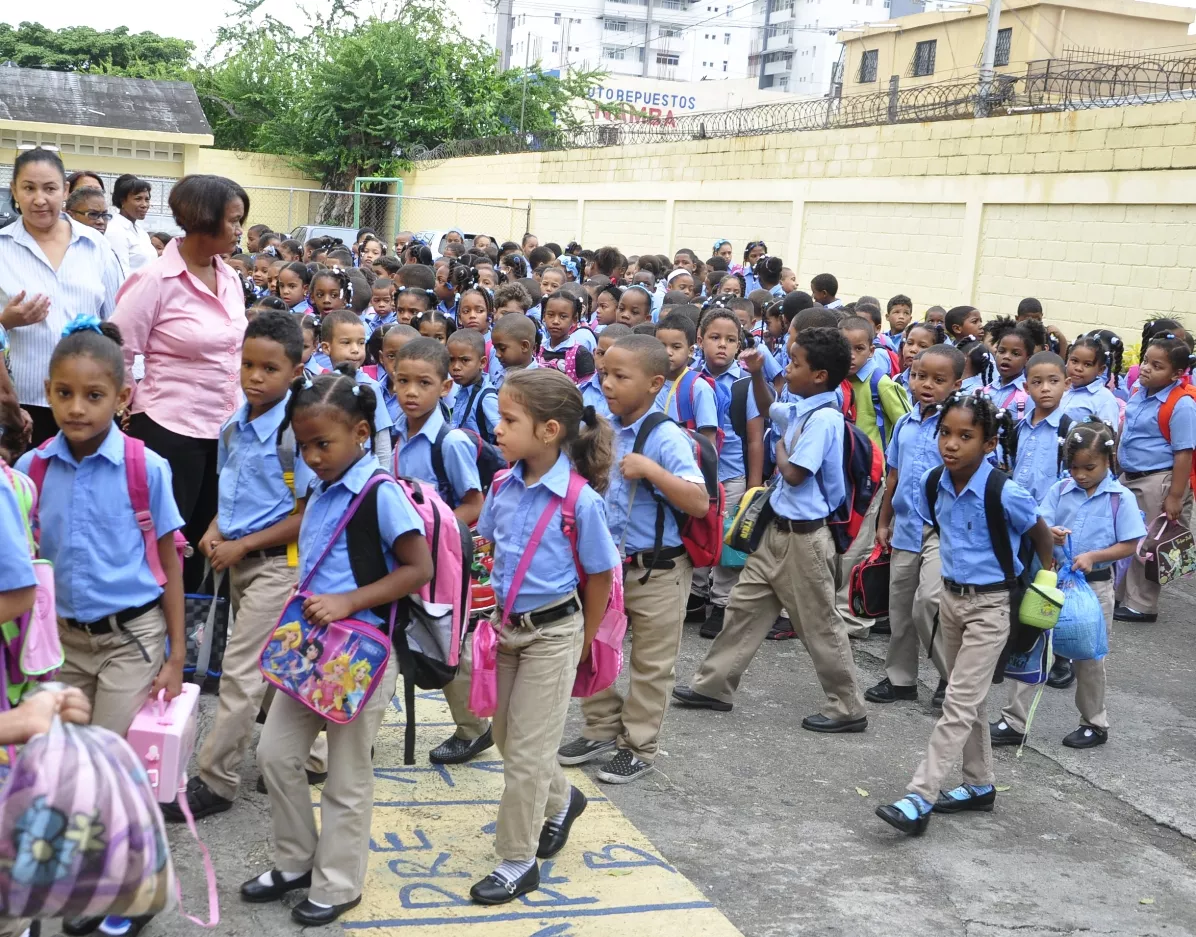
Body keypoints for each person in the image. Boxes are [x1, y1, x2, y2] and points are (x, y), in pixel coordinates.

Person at [243, 371, 433, 927]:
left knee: (348, 777)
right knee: (275, 754)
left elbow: (418, 569)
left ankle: (339, 882)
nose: (314, 456)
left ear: (360, 432)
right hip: (312, 646)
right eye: (304, 446)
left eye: (323, 444)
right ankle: (295, 861)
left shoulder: (382, 493)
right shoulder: (323, 487)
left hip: (361, 654)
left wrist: (350, 600)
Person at [16, 318, 186, 937]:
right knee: (64, 775)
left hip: (131, 641)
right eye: (63, 392)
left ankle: (131, 894)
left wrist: (175, 655)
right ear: (48, 390)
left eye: (93, 395)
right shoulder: (31, 472)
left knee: (109, 771)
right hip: (61, 646)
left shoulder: (147, 468)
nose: (76, 407)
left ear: (123, 397)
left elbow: (168, 560)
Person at [161, 312, 326, 822]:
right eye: (248, 364)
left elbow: (307, 513)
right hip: (239, 562)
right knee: (276, 667)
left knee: (240, 672)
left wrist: (243, 544)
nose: (255, 376)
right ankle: (314, 753)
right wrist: (214, 529)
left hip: (281, 566)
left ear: (295, 371)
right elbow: (233, 494)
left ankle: (217, 780)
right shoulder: (237, 421)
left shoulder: (298, 433)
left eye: (269, 368)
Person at [469, 368, 619, 904]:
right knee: (509, 740)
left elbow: (600, 576)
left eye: (510, 420)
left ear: (550, 430)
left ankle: (517, 860)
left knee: (529, 753)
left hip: (555, 635)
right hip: (505, 630)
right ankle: (563, 801)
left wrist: (584, 641)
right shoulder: (503, 484)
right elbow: (489, 546)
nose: (499, 429)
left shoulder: (581, 502)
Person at [673, 327, 869, 733]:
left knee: (819, 623)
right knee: (744, 608)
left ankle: (848, 706)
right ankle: (713, 687)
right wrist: (759, 375)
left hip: (806, 540)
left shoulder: (825, 419)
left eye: (795, 364)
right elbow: (768, 407)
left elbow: (795, 473)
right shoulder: (800, 407)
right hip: (776, 533)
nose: (789, 370)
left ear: (818, 375)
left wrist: (777, 448)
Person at [876, 392, 1052, 836]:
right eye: (946, 434)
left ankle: (920, 796)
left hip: (992, 606)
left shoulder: (1004, 491)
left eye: (966, 436)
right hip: (951, 602)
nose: (951, 444)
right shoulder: (935, 482)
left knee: (956, 703)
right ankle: (978, 785)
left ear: (989, 443)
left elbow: (1039, 532)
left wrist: (1047, 575)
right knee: (966, 697)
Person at [557, 335, 709, 784]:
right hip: (609, 570)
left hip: (658, 571)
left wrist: (652, 471)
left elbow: (699, 502)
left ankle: (638, 745)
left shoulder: (664, 436)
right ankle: (601, 728)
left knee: (651, 664)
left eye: (621, 377)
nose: (607, 384)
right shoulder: (603, 426)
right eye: (605, 373)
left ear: (654, 383)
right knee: (592, 648)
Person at [111, 174, 250, 590]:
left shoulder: (229, 278)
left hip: (224, 433)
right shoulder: (155, 281)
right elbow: (118, 349)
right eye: (233, 220)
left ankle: (196, 637)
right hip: (169, 430)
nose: (239, 229)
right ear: (202, 220)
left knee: (210, 542)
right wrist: (129, 406)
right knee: (166, 543)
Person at [999, 419, 1146, 751]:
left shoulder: (1119, 498)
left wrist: (1095, 555)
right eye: (1074, 466)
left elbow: (1131, 542)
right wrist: (1050, 533)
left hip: (1095, 589)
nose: (1080, 474)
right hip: (1054, 584)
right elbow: (1040, 522)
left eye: (1089, 467)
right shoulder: (1061, 489)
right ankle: (1013, 720)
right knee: (1033, 647)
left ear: (1108, 461)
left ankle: (1094, 722)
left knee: (1089, 657)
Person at [0, 147, 122, 446]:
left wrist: (123, 386)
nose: (39, 199)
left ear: (65, 190)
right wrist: (5, 321)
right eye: (28, 188)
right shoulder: (2, 248)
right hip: (23, 407)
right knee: (27, 490)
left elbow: (118, 322)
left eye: (50, 188)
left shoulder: (96, 246)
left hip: (89, 401)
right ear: (15, 190)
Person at [867, 345, 960, 707]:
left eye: (938, 380)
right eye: (920, 376)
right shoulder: (905, 423)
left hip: (941, 528)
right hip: (904, 526)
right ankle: (900, 679)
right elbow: (894, 476)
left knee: (929, 601)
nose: (926, 385)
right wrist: (884, 520)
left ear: (955, 384)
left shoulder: (954, 427)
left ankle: (951, 678)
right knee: (900, 607)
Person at [689, 308, 763, 639]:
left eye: (730, 340)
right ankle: (697, 594)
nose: (723, 345)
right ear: (700, 340)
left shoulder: (744, 385)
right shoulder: (690, 379)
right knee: (698, 529)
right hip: (696, 473)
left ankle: (722, 602)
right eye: (715, 338)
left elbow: (754, 438)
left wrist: (753, 486)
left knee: (727, 539)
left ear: (739, 345)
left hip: (732, 473)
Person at [835, 315, 910, 637]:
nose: (852, 355)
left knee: (859, 547)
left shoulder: (881, 384)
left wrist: (893, 471)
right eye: (845, 348)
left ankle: (853, 618)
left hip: (871, 477)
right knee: (839, 544)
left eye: (859, 348)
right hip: (840, 476)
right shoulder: (835, 381)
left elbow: (905, 425)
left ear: (872, 349)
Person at [1115, 334, 1196, 623]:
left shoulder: (1182, 404)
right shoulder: (1140, 391)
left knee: (1147, 544)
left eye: (1157, 365)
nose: (1147, 368)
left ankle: (1142, 605)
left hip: (1156, 480)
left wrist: (1175, 496)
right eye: (1146, 361)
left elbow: (1184, 453)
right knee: (1125, 537)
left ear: (1176, 373)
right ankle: (1121, 595)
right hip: (1130, 476)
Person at [389, 338, 484, 523]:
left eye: (424, 383)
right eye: (403, 381)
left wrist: (436, 535)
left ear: (445, 388)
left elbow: (474, 505)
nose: (411, 391)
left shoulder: (451, 443)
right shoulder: (396, 435)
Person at [317, 310, 393, 467]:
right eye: (346, 343)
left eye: (360, 343)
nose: (355, 350)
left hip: (363, 471)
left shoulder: (370, 387)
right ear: (326, 348)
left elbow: (381, 438)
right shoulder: (321, 386)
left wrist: (383, 475)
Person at [447, 329, 499, 444]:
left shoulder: (487, 398)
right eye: (451, 360)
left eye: (464, 360)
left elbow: (503, 434)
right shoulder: (462, 389)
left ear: (482, 363)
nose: (455, 367)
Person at [1061, 336, 1122, 428]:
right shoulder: (1060, 388)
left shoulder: (1105, 400)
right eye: (1074, 361)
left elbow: (1107, 436)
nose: (1078, 368)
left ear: (1101, 370)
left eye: (1087, 364)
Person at [982, 317, 1033, 421]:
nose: (1006, 357)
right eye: (1002, 351)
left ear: (1027, 359)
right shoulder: (986, 390)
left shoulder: (1028, 394)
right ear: (995, 353)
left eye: (1015, 354)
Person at [105, 174, 157, 275]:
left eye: (147, 199)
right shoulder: (115, 231)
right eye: (138, 199)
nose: (144, 205)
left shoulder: (140, 232)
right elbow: (121, 275)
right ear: (123, 201)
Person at [491, 314, 539, 387]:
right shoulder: (500, 372)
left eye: (502, 348)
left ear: (524, 346)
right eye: (495, 348)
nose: (497, 354)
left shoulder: (538, 382)